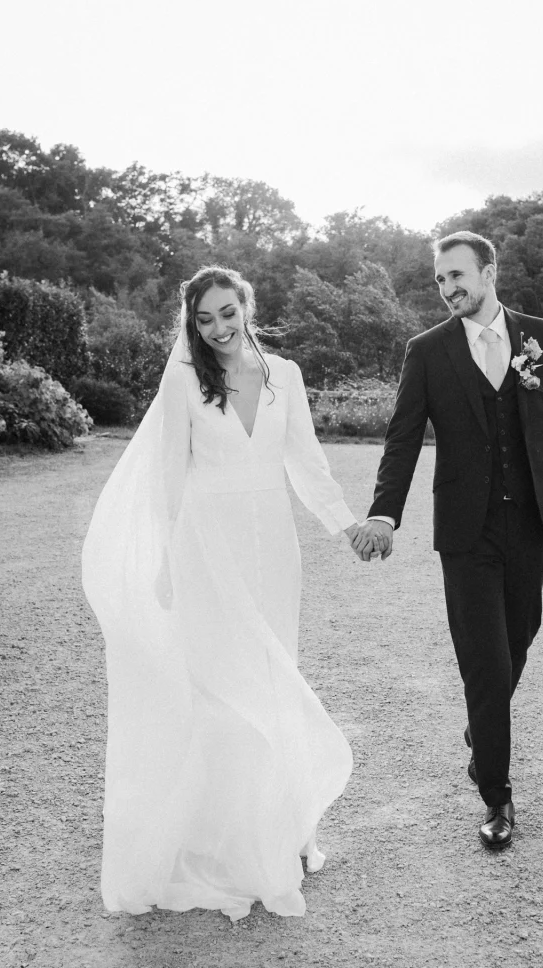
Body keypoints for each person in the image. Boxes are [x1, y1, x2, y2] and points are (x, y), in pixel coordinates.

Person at [83, 266, 360, 920]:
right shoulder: (182, 381)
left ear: (246, 306)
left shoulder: (284, 375)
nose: (218, 328)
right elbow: (168, 475)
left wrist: (345, 523)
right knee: (215, 685)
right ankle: (218, 839)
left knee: (271, 675)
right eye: (204, 319)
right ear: (192, 323)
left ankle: (274, 829)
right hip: (207, 545)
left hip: (273, 548)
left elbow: (305, 460)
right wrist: (165, 561)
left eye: (226, 313)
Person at [351, 231, 543, 849]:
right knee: (486, 665)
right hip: (465, 532)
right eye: (441, 280)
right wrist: (385, 514)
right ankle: (497, 794)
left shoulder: (539, 338)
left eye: (457, 276)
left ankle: (480, 726)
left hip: (531, 524)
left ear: (489, 272)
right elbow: (403, 438)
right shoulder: (428, 351)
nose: (448, 289)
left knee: (521, 634)